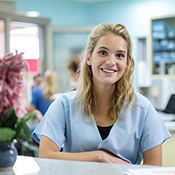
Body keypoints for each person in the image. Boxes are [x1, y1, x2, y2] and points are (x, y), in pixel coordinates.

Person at [32, 23, 171, 165]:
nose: (111, 62)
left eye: (120, 55)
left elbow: (154, 170)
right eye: (103, 52)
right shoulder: (64, 106)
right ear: (89, 58)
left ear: (127, 63)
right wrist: (99, 157)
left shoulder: (143, 110)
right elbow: (46, 155)